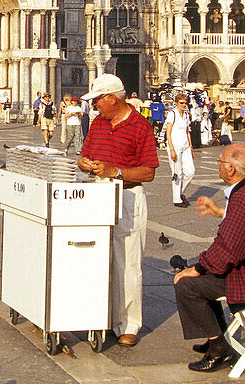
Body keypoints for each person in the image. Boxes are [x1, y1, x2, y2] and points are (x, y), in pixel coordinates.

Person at [174, 144, 245, 372]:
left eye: (219, 161)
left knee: (187, 284)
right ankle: (213, 338)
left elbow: (231, 247)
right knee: (207, 273)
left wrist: (199, 267)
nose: (218, 164)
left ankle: (219, 348)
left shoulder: (243, 198)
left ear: (230, 169)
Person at [78, 74, 159, 347]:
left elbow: (148, 172)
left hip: (127, 197)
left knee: (128, 262)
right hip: (98, 193)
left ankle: (129, 323)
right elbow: (84, 155)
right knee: (97, 258)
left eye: (98, 100)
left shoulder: (141, 127)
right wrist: (84, 163)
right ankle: (102, 315)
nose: (95, 106)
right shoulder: (99, 123)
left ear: (112, 98)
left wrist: (117, 171)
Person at [165, 92, 195, 207]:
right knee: (177, 173)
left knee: (190, 172)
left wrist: (191, 148)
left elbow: (187, 132)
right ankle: (177, 199)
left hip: (186, 146)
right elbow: (168, 133)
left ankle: (181, 192)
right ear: (176, 103)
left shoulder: (186, 115)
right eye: (181, 103)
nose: (183, 105)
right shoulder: (172, 114)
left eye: (185, 103)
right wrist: (171, 149)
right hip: (175, 146)